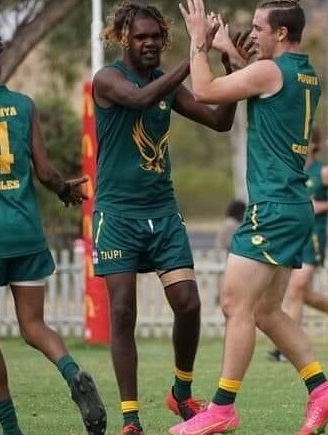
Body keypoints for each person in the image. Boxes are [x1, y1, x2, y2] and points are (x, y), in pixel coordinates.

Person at [172, 1, 328, 434]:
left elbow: (207, 91)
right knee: (268, 311)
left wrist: (198, 43)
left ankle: (222, 408)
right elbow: (255, 83)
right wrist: (229, 52)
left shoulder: (271, 72)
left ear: (282, 33)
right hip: (293, 206)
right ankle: (321, 389)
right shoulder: (303, 73)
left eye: (258, 28)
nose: (252, 35)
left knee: (236, 305)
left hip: (271, 209)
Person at [92, 3, 242, 434]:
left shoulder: (165, 83)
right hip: (118, 215)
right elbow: (140, 100)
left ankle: (180, 392)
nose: (151, 44)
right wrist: (197, 51)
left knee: (189, 304)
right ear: (125, 39)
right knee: (122, 311)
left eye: (156, 37)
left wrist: (228, 72)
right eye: (142, 37)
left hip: (162, 213)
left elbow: (218, 122)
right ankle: (131, 418)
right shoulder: (108, 80)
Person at [0, 29, 106, 435]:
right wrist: (65, 191)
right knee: (34, 325)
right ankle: (72, 372)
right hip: (24, 231)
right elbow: (45, 172)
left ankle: (11, 429)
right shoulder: (23, 106)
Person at [268, 127, 328, 362]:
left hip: (314, 237)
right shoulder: (291, 170)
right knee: (302, 293)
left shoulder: (324, 172)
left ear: (314, 145)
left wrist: (323, 206)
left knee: (295, 289)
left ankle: (287, 349)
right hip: (293, 235)